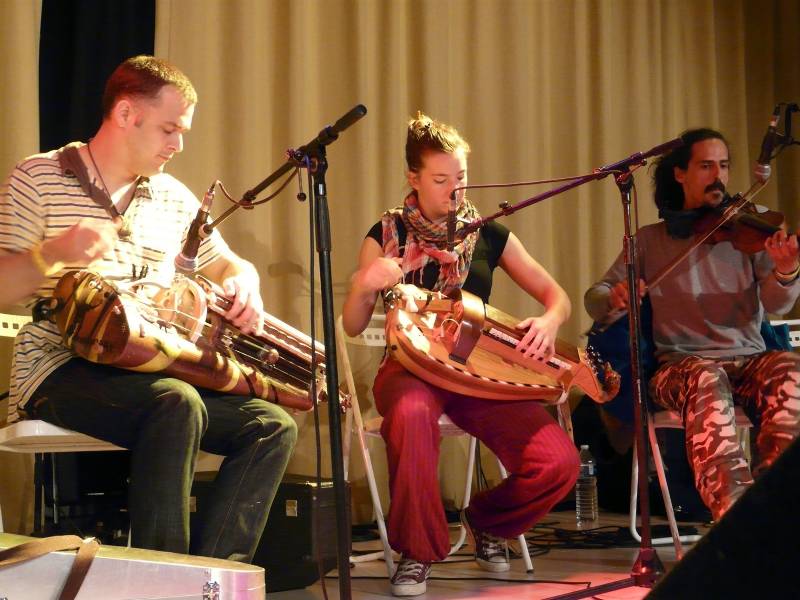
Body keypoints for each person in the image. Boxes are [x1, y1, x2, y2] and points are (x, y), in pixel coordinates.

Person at [0, 56, 297, 563]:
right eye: (169, 129)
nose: (178, 144)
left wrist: (245, 281)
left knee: (272, 425)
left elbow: (226, 263)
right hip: (59, 367)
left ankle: (213, 578)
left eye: (182, 132)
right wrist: (53, 253)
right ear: (124, 114)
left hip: (149, 366)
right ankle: (164, 580)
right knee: (176, 402)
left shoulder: (171, 198)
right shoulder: (41, 176)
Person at [342, 113, 579, 596]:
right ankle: (417, 552)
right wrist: (368, 282)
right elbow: (350, 323)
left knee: (558, 462)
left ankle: (488, 522)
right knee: (409, 416)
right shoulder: (385, 233)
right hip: (409, 368)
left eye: (462, 179)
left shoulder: (488, 233)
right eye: (441, 180)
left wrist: (550, 320)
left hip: (477, 372)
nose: (456, 192)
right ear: (413, 178)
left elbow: (557, 296)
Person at [585, 128, 800, 521]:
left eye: (723, 166)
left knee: (790, 370)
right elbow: (594, 297)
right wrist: (616, 297)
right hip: (680, 369)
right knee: (705, 377)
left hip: (747, 361)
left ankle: (776, 503)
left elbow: (776, 303)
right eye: (706, 166)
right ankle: (734, 513)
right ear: (680, 174)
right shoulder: (650, 241)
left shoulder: (746, 233)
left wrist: (786, 271)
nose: (718, 175)